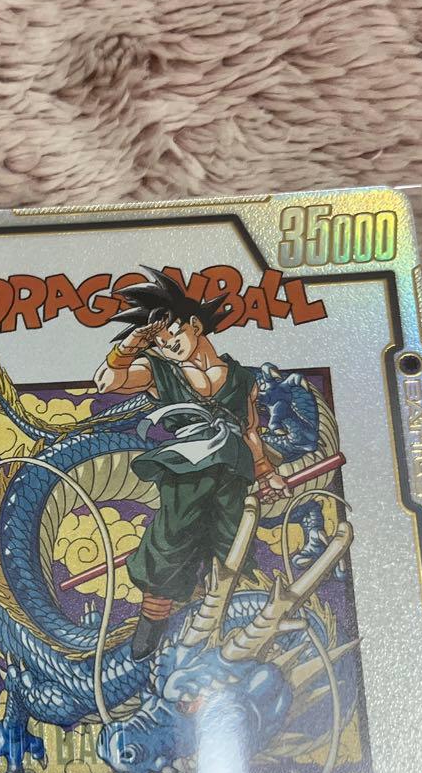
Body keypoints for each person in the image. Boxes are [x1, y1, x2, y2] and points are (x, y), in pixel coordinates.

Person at [93, 268, 289, 661]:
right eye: (161, 344)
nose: (169, 347)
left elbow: (250, 431)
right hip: (187, 472)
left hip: (232, 474)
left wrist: (267, 474)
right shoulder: (158, 371)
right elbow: (106, 381)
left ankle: (230, 624)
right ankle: (152, 625)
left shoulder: (241, 377)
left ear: (195, 325)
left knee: (232, 545)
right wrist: (134, 343)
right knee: (170, 543)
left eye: (173, 336)